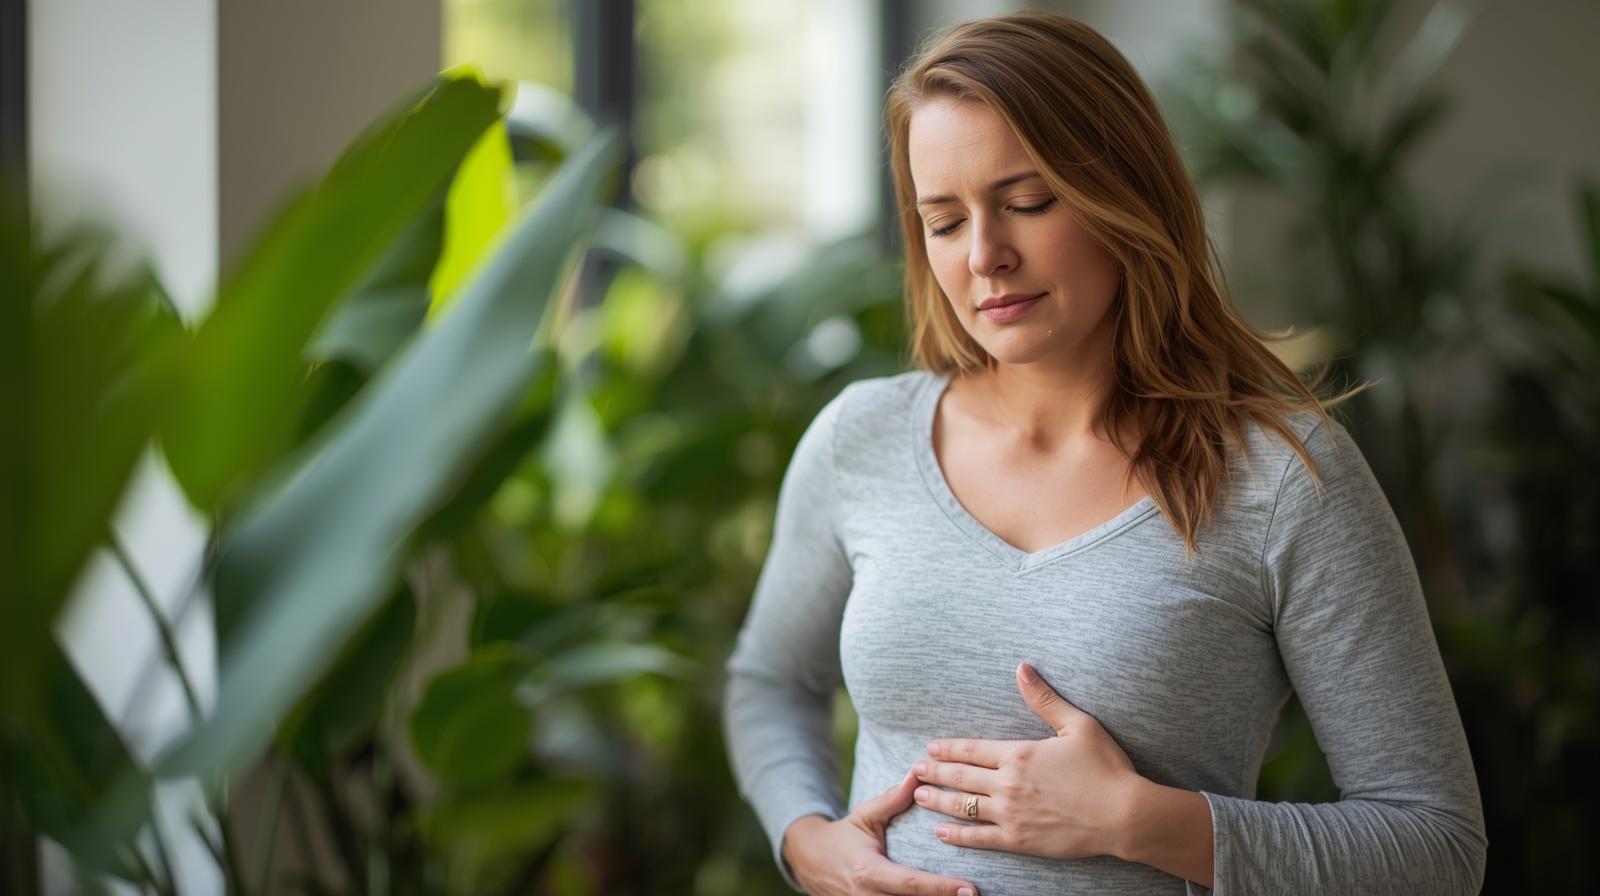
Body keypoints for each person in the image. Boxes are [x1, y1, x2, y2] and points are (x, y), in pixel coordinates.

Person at [721, 11, 1486, 896]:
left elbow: (1438, 847)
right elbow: (770, 680)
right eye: (945, 221)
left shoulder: (1282, 478)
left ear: (1126, 194)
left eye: (1028, 202)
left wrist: (1137, 821)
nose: (985, 256)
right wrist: (807, 840)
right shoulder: (863, 438)